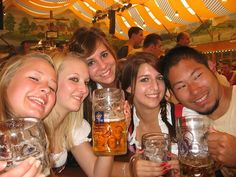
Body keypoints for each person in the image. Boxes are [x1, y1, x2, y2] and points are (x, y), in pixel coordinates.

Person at [159, 46, 236, 176]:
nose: (194, 90)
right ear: (173, 95)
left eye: (197, 76)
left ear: (211, 67)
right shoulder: (190, 122)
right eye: (181, 86)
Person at [111, 52, 185, 177]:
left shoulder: (183, 116)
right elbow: (101, 169)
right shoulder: (124, 122)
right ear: (129, 87)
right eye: (145, 79)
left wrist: (184, 168)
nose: (155, 86)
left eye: (160, 78)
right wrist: (131, 168)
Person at [43, 51, 115, 177]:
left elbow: (97, 174)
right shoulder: (32, 127)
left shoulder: (73, 125)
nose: (84, 90)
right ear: (52, 82)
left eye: (86, 82)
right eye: (74, 79)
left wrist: (110, 131)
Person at [0, 52, 57, 177]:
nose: (47, 89)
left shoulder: (37, 142)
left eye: (52, 88)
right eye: (34, 78)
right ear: (7, 81)